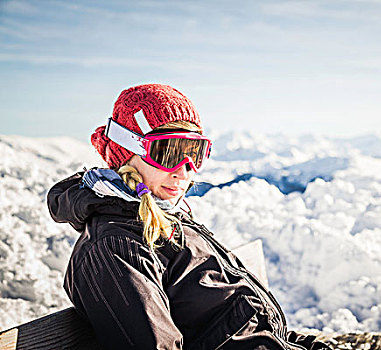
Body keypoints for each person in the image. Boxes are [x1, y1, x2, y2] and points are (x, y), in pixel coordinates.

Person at [47, 84, 329, 350]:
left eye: (194, 153)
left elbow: (249, 329)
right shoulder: (115, 246)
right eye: (168, 152)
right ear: (128, 151)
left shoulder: (165, 217)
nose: (184, 170)